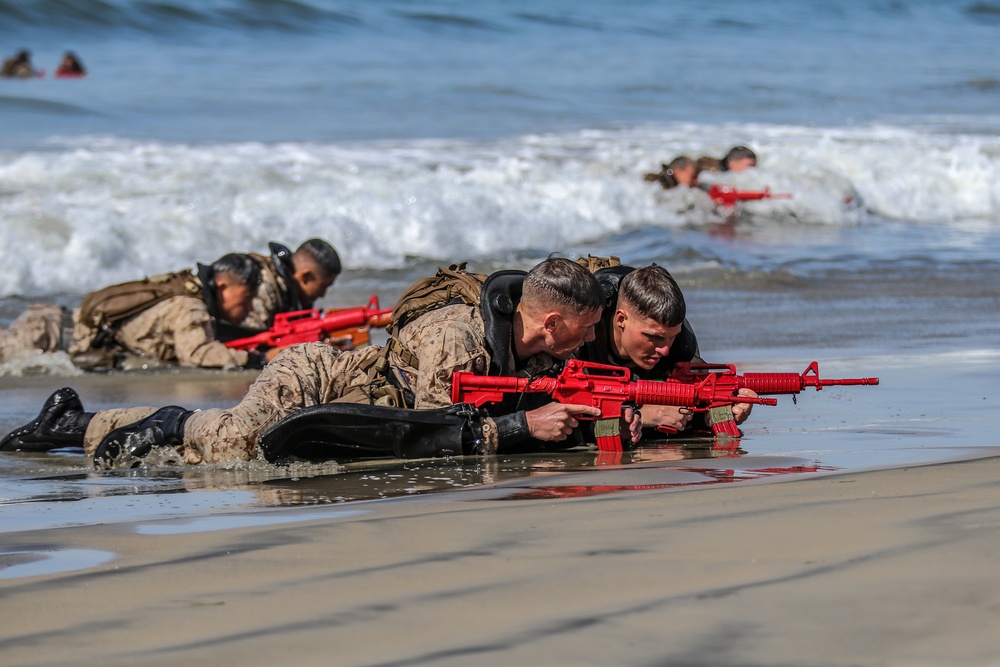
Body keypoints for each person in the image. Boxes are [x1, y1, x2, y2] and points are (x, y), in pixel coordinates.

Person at [2, 258, 620, 465]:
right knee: (236, 446)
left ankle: (66, 424)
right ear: (551, 322)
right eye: (587, 330)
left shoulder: (538, 347)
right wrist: (522, 428)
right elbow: (435, 430)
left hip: (362, 404)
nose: (591, 340)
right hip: (315, 375)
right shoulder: (455, 338)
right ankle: (161, 420)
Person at [579, 264, 755, 436]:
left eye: (672, 337)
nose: (665, 350)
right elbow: (561, 417)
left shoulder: (682, 344)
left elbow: (692, 411)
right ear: (621, 319)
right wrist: (640, 412)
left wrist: (714, 415)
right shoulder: (583, 330)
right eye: (654, 337)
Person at [67, 253, 264, 370]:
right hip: (56, 334)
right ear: (222, 287)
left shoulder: (188, 289)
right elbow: (197, 354)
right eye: (246, 298)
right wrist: (258, 359)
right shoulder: (191, 307)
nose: (249, 308)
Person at [240, 239, 342, 331]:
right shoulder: (264, 287)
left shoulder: (295, 293)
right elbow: (252, 336)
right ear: (305, 277)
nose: (322, 295)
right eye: (323, 286)